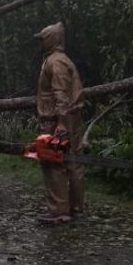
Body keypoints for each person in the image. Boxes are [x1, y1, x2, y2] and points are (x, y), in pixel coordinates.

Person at [34, 21, 85, 224]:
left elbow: (60, 94)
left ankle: (58, 210)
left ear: (50, 39)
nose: (41, 43)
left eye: (43, 39)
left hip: (57, 119)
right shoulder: (61, 60)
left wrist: (61, 123)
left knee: (52, 161)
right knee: (73, 162)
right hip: (70, 118)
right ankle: (74, 207)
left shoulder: (55, 62)